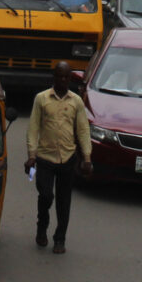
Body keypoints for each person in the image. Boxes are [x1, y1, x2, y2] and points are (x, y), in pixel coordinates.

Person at [26, 62, 92, 254]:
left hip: (67, 158)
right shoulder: (41, 99)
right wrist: (31, 155)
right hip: (45, 158)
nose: (62, 80)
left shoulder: (76, 101)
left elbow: (83, 130)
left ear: (70, 79)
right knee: (46, 195)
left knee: (64, 202)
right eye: (59, 76)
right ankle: (42, 225)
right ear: (53, 77)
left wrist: (86, 158)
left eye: (66, 77)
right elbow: (33, 129)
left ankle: (60, 238)